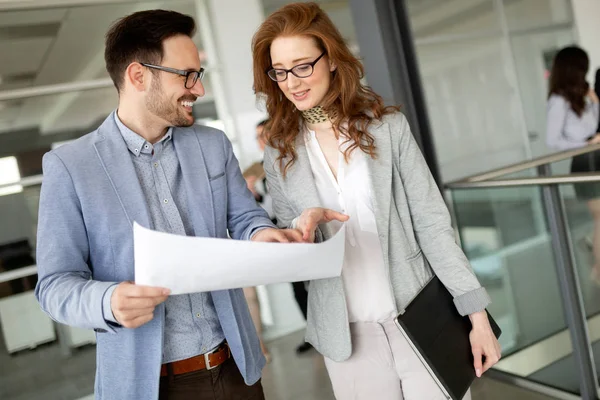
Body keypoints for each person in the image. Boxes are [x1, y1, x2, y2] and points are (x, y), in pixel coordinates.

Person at [34, 9, 302, 400]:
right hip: (150, 386)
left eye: (199, 75)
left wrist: (263, 234)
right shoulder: (71, 167)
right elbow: (54, 286)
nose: (199, 89)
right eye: (186, 76)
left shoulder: (212, 145)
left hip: (236, 370)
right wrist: (108, 301)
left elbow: (245, 217)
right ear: (138, 76)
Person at [251, 3, 501, 399]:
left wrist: (477, 316)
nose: (291, 82)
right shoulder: (280, 152)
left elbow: (433, 227)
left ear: (331, 59)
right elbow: (293, 255)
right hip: (346, 339)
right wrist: (300, 232)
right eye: (279, 71)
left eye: (302, 66)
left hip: (419, 321)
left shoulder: (388, 129)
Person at [244, 120, 313, 355]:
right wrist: (252, 194)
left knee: (316, 282)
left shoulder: (292, 158)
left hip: (301, 228)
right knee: (297, 287)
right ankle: (312, 332)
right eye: (257, 136)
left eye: (264, 133)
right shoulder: (255, 168)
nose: (261, 139)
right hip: (276, 232)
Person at [546, 46, 600, 284]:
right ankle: (599, 268)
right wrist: (585, 143)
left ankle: (595, 257)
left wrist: (595, 101)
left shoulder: (581, 96)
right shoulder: (558, 100)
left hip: (594, 156)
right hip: (584, 161)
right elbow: (552, 140)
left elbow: (593, 126)